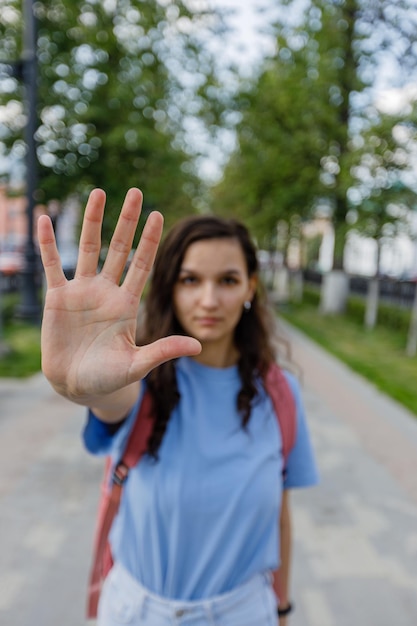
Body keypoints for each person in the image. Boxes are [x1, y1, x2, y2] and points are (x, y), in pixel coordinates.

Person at [38, 187, 318, 626]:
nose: (209, 300)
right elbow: (112, 402)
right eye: (190, 280)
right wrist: (83, 386)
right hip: (139, 610)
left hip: (243, 612)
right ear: (170, 287)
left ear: (251, 285)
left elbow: (278, 514)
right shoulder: (138, 375)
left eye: (227, 280)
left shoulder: (280, 393)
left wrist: (282, 608)